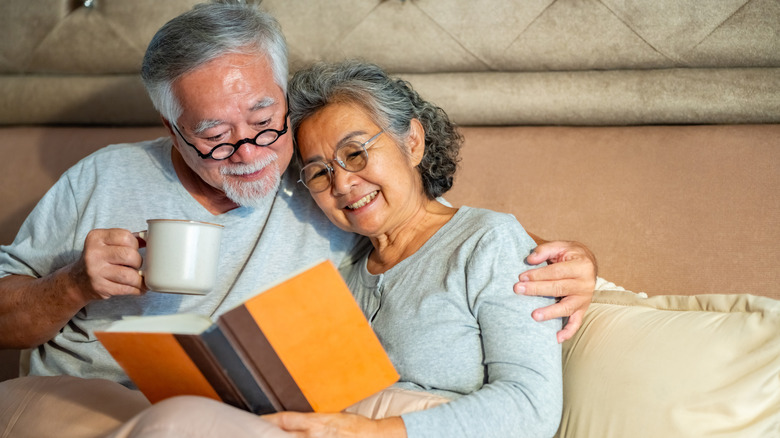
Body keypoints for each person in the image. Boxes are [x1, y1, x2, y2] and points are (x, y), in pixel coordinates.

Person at [0, 1, 593, 436]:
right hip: (86, 401)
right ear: (173, 130)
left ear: (284, 95)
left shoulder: (315, 176)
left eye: (263, 116)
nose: (251, 151)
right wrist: (73, 284)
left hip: (245, 420)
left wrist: (574, 262)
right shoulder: (104, 176)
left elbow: (442, 235)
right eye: (213, 135)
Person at [258, 60, 562, 437]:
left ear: (412, 142)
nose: (342, 184)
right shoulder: (342, 273)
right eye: (320, 172)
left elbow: (533, 407)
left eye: (355, 153)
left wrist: (372, 432)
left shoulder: (487, 242)